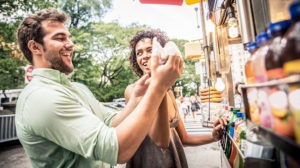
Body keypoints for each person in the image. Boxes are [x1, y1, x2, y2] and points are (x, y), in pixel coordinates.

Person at [15, 9, 184, 168]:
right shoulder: (41, 97)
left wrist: (134, 101)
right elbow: (116, 149)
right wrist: (158, 86)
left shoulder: (77, 88)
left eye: (69, 38)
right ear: (35, 47)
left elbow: (110, 123)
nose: (71, 44)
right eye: (60, 38)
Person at [125, 29, 228, 168]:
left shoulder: (169, 91)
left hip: (174, 160)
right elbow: (161, 141)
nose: (144, 56)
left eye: (150, 50)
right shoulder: (133, 91)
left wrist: (214, 136)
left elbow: (184, 138)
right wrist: (159, 83)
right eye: (139, 53)